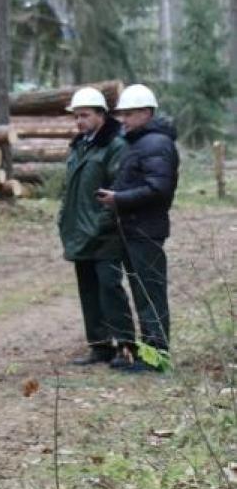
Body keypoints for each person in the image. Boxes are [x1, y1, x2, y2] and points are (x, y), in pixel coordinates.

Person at [96, 84, 180, 373]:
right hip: (134, 229)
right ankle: (149, 356)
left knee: (150, 296)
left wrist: (119, 199)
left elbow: (159, 188)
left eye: (129, 114)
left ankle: (157, 359)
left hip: (145, 230)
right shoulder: (140, 143)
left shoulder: (156, 144)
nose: (124, 120)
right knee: (143, 294)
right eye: (122, 114)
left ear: (146, 113)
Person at [57, 87, 134, 367]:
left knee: (110, 288)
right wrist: (64, 219)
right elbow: (71, 189)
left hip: (106, 235)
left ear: (101, 115)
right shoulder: (80, 145)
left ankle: (126, 346)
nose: (79, 121)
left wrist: (101, 224)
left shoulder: (115, 146)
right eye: (76, 116)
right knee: (88, 290)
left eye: (85, 115)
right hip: (79, 231)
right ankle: (100, 347)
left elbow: (117, 190)